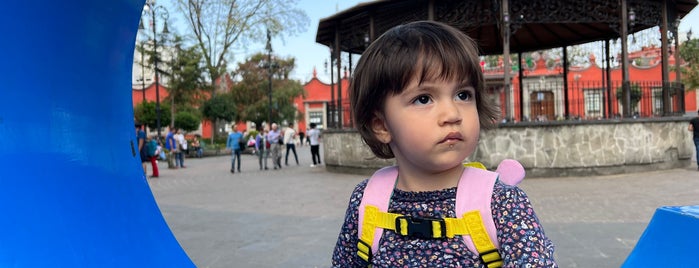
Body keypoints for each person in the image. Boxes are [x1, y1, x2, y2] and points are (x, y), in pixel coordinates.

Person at [331, 21, 556, 267]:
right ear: (381, 125)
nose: (452, 113)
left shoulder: (502, 202)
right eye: (424, 98)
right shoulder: (367, 200)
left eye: (463, 95)